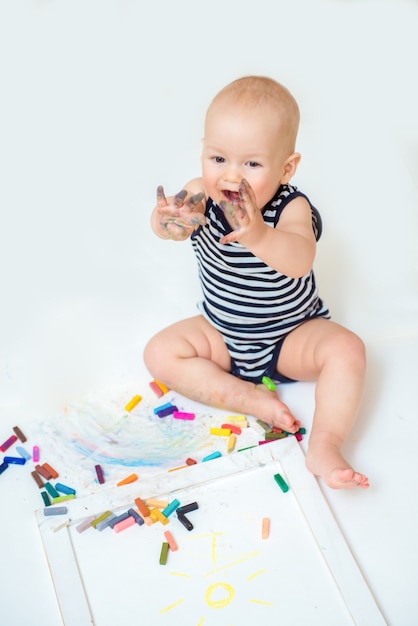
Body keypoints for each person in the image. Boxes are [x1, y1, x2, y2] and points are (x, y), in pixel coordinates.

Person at [144, 75, 369, 490]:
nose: (231, 176)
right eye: (218, 159)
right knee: (159, 353)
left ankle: (325, 444)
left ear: (286, 168)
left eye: (251, 164)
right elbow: (175, 227)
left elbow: (300, 260)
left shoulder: (290, 207)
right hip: (221, 335)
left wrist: (259, 234)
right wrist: (166, 222)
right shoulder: (200, 195)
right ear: (203, 153)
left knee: (347, 348)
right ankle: (248, 398)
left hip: (291, 337)